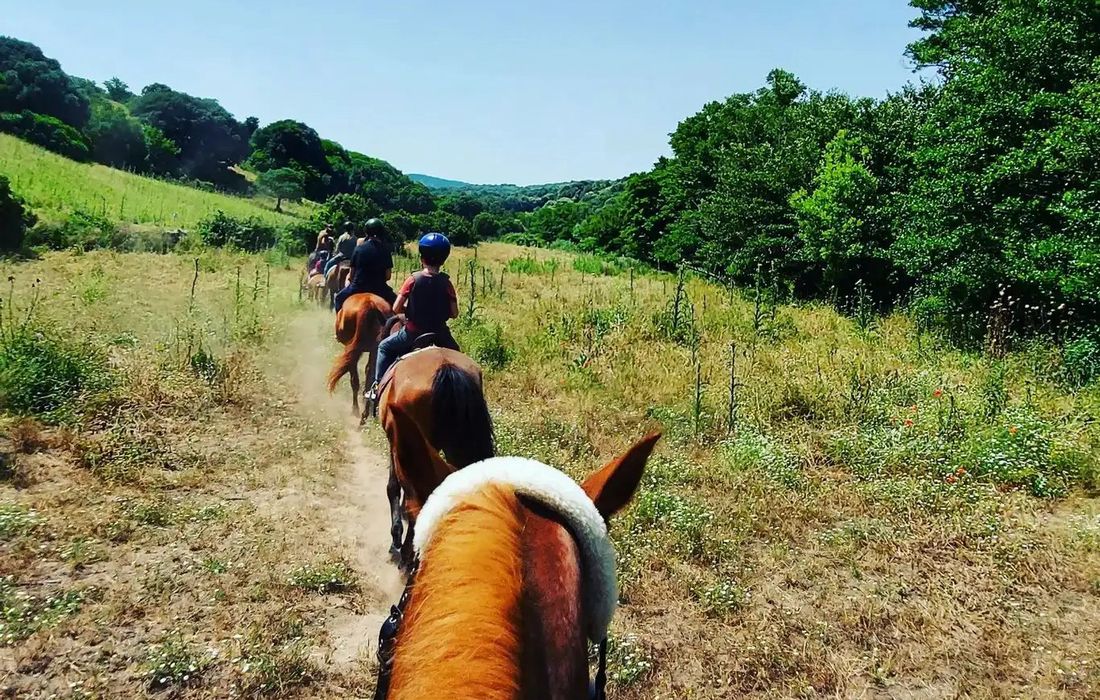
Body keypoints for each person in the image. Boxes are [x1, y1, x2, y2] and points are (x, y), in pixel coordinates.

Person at [369, 232, 460, 396]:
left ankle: (377, 387)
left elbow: (396, 308)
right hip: (440, 334)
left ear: (422, 257)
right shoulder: (447, 283)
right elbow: (454, 313)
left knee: (384, 347)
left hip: (413, 333)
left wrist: (411, 310)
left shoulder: (413, 279)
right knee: (458, 356)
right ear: (444, 259)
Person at [333, 218, 397, 311]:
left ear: (366, 232)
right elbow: (388, 276)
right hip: (380, 288)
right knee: (397, 305)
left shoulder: (358, 249)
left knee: (338, 299)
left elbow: (351, 275)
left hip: (358, 287)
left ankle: (339, 325)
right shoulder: (386, 250)